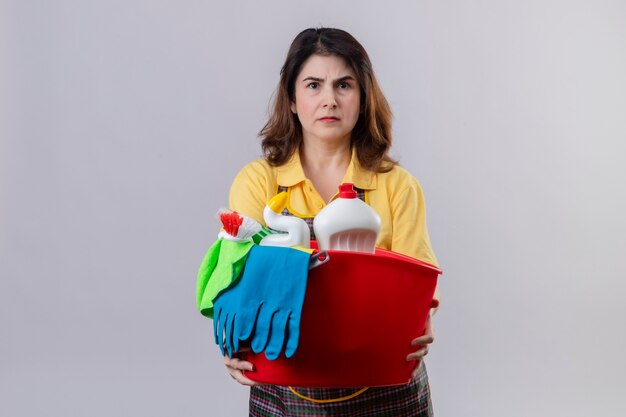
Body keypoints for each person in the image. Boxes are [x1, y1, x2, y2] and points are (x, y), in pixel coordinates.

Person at [223, 27, 440, 417]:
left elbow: (417, 285)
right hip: (287, 387)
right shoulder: (258, 182)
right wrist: (232, 338)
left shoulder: (397, 187)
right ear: (291, 99)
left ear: (363, 97)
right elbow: (239, 277)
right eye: (313, 85)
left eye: (344, 85)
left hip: (386, 389)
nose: (329, 100)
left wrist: (422, 319)